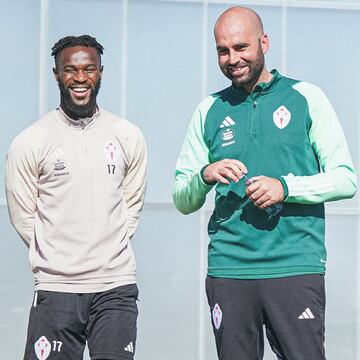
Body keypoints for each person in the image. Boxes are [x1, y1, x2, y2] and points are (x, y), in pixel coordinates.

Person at [173, 7, 356, 360]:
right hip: (229, 268)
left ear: (264, 43)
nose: (233, 59)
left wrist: (285, 187)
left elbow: (345, 179)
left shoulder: (307, 97)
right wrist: (205, 175)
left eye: (242, 47)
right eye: (223, 50)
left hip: (294, 265)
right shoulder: (208, 109)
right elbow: (182, 198)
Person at [6, 35, 147, 360]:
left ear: (100, 72)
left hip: (115, 287)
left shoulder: (127, 135)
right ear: (57, 74)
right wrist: (60, 256)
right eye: (70, 69)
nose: (80, 78)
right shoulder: (30, 141)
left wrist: (104, 249)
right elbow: (23, 215)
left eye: (89, 69)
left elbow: (131, 204)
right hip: (57, 290)